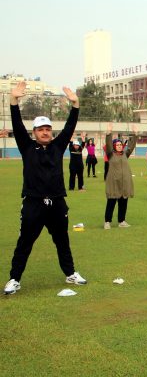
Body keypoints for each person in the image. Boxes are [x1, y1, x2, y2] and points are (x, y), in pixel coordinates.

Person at [3, 82, 87, 295]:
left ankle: (70, 273)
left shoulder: (58, 146)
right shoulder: (27, 147)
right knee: (25, 243)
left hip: (57, 202)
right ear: (35, 132)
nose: (45, 132)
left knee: (62, 241)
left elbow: (69, 126)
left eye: (48, 129)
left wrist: (75, 105)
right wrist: (13, 101)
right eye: (41, 129)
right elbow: (17, 124)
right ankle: (14, 279)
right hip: (33, 203)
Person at [104, 123, 137, 229]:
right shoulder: (110, 154)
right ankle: (107, 222)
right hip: (114, 182)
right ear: (114, 146)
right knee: (111, 202)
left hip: (124, 183)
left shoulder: (125, 154)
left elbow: (131, 147)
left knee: (123, 202)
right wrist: (109, 133)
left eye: (120, 145)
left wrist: (135, 134)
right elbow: (108, 146)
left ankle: (121, 221)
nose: (119, 146)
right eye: (117, 145)